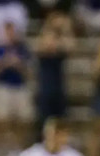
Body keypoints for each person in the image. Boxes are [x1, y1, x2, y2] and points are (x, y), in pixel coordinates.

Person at [0, 21, 33, 155]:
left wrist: (19, 65)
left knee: (23, 118)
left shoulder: (23, 49)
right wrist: (4, 63)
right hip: (3, 86)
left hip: (20, 86)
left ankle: (18, 146)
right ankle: (3, 146)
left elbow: (30, 72)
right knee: (2, 118)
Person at [34, 11, 75, 141]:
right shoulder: (44, 38)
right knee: (45, 121)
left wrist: (65, 29)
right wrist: (51, 26)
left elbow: (70, 47)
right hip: (46, 88)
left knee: (61, 120)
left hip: (59, 88)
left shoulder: (62, 41)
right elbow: (46, 46)